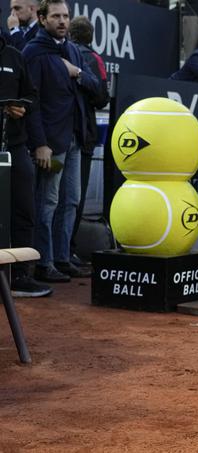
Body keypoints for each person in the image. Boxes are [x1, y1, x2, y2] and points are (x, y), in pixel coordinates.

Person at [23, 0, 99, 282]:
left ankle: (62, 257)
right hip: (51, 143)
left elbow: (95, 87)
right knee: (48, 202)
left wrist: (77, 72)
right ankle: (43, 262)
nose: (63, 21)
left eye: (66, 16)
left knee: (71, 201)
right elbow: (32, 102)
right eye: (56, 16)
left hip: (75, 138)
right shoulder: (33, 52)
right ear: (42, 19)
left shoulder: (72, 51)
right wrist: (40, 143)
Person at [0, 32, 52, 297]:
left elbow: (32, 96)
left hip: (16, 147)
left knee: (24, 209)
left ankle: (21, 276)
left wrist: (21, 107)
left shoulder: (15, 56)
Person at [68, 15, 110, 264]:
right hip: (82, 134)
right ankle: (67, 252)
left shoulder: (64, 55)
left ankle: (55, 254)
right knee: (74, 198)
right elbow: (103, 97)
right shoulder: (94, 59)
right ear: (91, 36)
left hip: (60, 133)